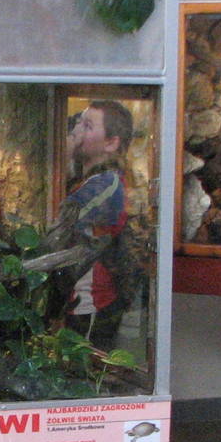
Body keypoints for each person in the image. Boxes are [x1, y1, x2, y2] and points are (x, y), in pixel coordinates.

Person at [46, 100, 137, 349]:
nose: (77, 130)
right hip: (75, 301)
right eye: (78, 122)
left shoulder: (106, 184)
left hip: (92, 304)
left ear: (111, 143)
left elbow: (63, 225)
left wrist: (64, 151)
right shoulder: (88, 180)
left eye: (87, 126)